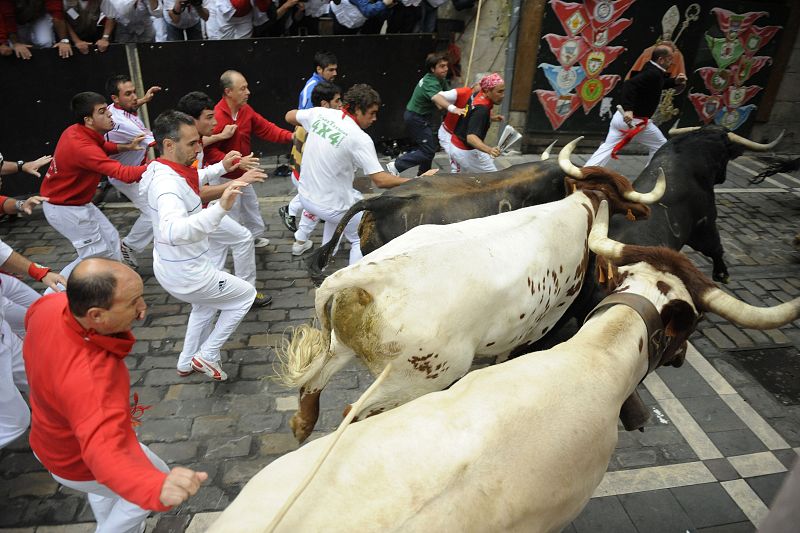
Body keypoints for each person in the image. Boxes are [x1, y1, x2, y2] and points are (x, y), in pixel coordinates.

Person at [23, 258, 207, 532]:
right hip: (76, 460)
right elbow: (104, 453)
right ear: (96, 315)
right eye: (133, 303)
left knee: (106, 490)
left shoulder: (49, 307)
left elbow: (29, 321)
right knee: (150, 485)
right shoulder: (92, 380)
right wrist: (154, 487)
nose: (143, 310)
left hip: (49, 439)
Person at [141, 110, 258, 381]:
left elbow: (192, 180)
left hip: (175, 265)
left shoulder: (163, 167)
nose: (199, 147)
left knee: (204, 306)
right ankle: (207, 354)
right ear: (169, 145)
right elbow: (174, 231)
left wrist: (223, 168)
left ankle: (185, 362)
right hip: (188, 272)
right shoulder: (167, 186)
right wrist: (221, 209)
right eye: (192, 143)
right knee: (245, 296)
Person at [285, 84, 410, 265]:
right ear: (358, 109)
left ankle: (323, 261)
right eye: (372, 113)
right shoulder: (359, 138)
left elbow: (289, 116)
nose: (375, 118)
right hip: (330, 205)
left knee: (340, 213)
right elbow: (380, 180)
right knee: (360, 236)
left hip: (305, 197)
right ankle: (351, 282)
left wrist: (313, 127)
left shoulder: (320, 113)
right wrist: (418, 180)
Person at [176, 90, 272, 307]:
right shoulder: (186, 150)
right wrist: (238, 181)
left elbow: (199, 177)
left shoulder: (193, 138)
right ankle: (245, 293)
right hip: (193, 211)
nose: (215, 121)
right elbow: (195, 191)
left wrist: (223, 150)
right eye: (209, 117)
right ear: (192, 121)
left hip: (197, 208)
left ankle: (217, 289)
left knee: (217, 249)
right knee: (243, 238)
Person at [41, 92, 147, 283]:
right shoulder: (82, 147)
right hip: (65, 209)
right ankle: (54, 291)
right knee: (94, 258)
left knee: (112, 243)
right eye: (102, 112)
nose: (109, 115)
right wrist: (162, 165)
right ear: (88, 120)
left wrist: (126, 147)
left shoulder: (77, 131)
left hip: (77, 203)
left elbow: (103, 145)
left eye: (107, 109)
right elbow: (123, 173)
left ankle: (115, 289)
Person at [205, 70, 293, 248]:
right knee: (231, 211)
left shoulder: (245, 110)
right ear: (229, 92)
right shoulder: (217, 117)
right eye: (243, 89)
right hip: (224, 177)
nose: (248, 92)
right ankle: (236, 244)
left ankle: (252, 237)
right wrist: (237, 162)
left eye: (247, 88)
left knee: (251, 206)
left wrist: (291, 137)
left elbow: (266, 128)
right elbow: (209, 152)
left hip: (244, 173)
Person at [584, 44, 687, 168]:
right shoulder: (653, 73)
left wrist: (674, 81)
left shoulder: (652, 69)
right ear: (661, 60)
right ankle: (649, 177)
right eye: (670, 59)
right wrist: (628, 110)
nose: (672, 62)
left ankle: (584, 174)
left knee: (606, 148)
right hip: (635, 122)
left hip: (619, 118)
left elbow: (655, 85)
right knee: (661, 145)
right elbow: (629, 85)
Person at [105, 75, 162, 269]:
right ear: (115, 98)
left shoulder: (116, 108)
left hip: (139, 169)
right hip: (126, 176)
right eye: (128, 94)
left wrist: (144, 100)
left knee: (159, 209)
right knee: (153, 213)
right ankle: (128, 246)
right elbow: (157, 143)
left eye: (134, 92)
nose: (134, 97)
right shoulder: (122, 124)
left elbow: (132, 106)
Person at [281, 81, 342, 256]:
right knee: (323, 207)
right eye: (337, 101)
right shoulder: (323, 127)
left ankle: (301, 241)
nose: (340, 105)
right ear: (325, 104)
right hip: (309, 176)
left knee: (315, 206)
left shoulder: (306, 117)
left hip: (299, 173)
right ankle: (323, 251)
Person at [388, 52, 450, 176]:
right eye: (442, 66)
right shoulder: (430, 82)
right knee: (428, 150)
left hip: (426, 117)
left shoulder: (439, 79)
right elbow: (440, 104)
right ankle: (396, 165)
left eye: (446, 65)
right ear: (432, 69)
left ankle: (423, 174)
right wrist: (455, 108)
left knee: (429, 146)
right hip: (416, 118)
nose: (446, 69)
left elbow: (449, 94)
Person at [449, 73, 506, 173]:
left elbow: (471, 115)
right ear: (487, 91)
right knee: (493, 180)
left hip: (457, 144)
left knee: (462, 181)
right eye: (499, 92)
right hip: (464, 151)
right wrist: (490, 150)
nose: (503, 95)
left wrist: (491, 117)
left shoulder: (477, 95)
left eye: (503, 91)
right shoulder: (481, 110)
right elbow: (471, 138)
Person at [431, 80, 479, 172]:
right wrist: (453, 109)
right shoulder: (462, 92)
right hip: (448, 135)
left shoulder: (482, 98)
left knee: (470, 164)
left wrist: (493, 117)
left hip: (461, 136)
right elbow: (436, 96)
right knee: (457, 166)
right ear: (475, 84)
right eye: (483, 85)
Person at [0, 0, 72, 58]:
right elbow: (8, 17)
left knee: (44, 41)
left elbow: (57, 13)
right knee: (18, 48)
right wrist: (16, 43)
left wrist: (64, 41)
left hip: (39, 16)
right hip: (17, 20)